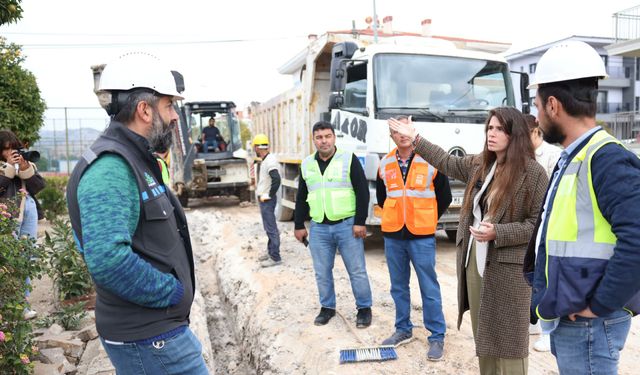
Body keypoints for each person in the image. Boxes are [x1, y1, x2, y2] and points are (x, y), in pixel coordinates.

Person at [66, 52, 208, 374]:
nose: (174, 117)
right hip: (151, 339)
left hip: (158, 334)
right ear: (145, 109)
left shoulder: (134, 158)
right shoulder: (111, 169)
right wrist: (172, 292)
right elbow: (107, 259)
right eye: (169, 106)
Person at [389, 107, 548, 375]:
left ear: (516, 134)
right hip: (475, 260)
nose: (492, 133)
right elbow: (446, 161)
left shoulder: (534, 173)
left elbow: (537, 225)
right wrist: (415, 138)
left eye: (500, 129)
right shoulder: (481, 164)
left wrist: (499, 232)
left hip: (509, 269)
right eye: (490, 128)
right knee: (483, 333)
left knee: (508, 342)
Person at [523, 40, 640, 375]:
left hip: (589, 322)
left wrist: (599, 304)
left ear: (554, 106)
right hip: (574, 315)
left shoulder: (606, 158)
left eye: (537, 105)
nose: (536, 115)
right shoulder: (576, 155)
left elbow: (637, 239)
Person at [377, 116, 452, 361]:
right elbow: (382, 198)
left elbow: (445, 196)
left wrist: (428, 218)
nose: (402, 135)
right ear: (391, 136)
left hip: (421, 235)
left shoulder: (431, 160)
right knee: (398, 286)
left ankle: (437, 335)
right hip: (393, 234)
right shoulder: (385, 163)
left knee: (429, 286)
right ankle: (403, 329)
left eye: (405, 129)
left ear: (413, 131)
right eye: (396, 131)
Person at [293, 121, 373, 328]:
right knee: (322, 271)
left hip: (347, 226)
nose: (324, 141)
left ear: (334, 137)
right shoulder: (307, 164)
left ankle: (364, 309)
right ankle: (327, 308)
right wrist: (299, 224)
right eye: (319, 137)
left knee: (356, 270)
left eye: (327, 136)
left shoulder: (348, 159)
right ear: (314, 140)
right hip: (319, 227)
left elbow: (362, 192)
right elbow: (301, 196)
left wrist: (360, 222)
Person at [524, 113, 561, 352]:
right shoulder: (523, 156)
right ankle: (534, 320)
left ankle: (549, 332)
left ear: (536, 132)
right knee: (530, 275)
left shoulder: (552, 155)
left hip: (549, 223)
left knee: (547, 276)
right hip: (530, 222)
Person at [0, 129, 45, 320]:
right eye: (7, 149)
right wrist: (8, 169)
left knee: (27, 257)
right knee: (10, 261)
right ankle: (9, 305)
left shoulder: (24, 163)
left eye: (15, 148)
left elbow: (39, 186)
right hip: (8, 215)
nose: (12, 153)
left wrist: (25, 166)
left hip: (29, 209)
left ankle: (23, 305)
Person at [253, 133, 282, 268]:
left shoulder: (269, 161)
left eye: (255, 147)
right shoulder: (266, 159)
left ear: (258, 147)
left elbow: (276, 179)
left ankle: (275, 257)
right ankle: (271, 252)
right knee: (268, 226)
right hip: (265, 198)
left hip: (267, 199)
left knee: (271, 228)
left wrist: (269, 194)